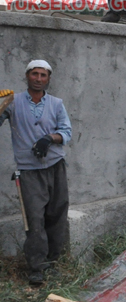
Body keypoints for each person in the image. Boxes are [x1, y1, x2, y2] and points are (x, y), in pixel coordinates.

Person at [0, 60, 73, 285]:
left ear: (48, 79)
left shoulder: (56, 103)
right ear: (27, 76)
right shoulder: (13, 102)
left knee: (57, 214)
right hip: (29, 171)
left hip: (55, 166)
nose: (38, 78)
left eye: (43, 75)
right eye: (34, 74)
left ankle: (52, 262)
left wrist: (49, 138)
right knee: (34, 218)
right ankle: (36, 268)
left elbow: (66, 131)